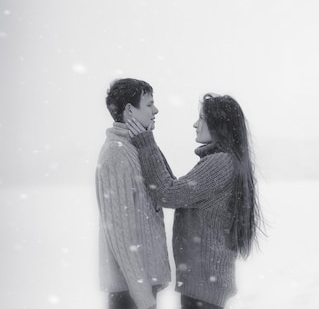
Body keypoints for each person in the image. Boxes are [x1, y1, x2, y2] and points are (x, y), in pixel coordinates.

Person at [127, 93, 262, 309]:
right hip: (204, 284)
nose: (195, 124)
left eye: (202, 118)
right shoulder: (224, 161)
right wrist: (148, 144)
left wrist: (146, 143)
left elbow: (168, 193)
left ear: (220, 124)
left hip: (204, 287)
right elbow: (175, 187)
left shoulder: (220, 163)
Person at [96, 78, 171, 309]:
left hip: (142, 285)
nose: (156, 110)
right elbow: (120, 233)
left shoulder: (136, 147)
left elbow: (167, 187)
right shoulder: (117, 154)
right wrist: (142, 297)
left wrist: (147, 141)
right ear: (129, 110)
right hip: (131, 293)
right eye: (149, 104)